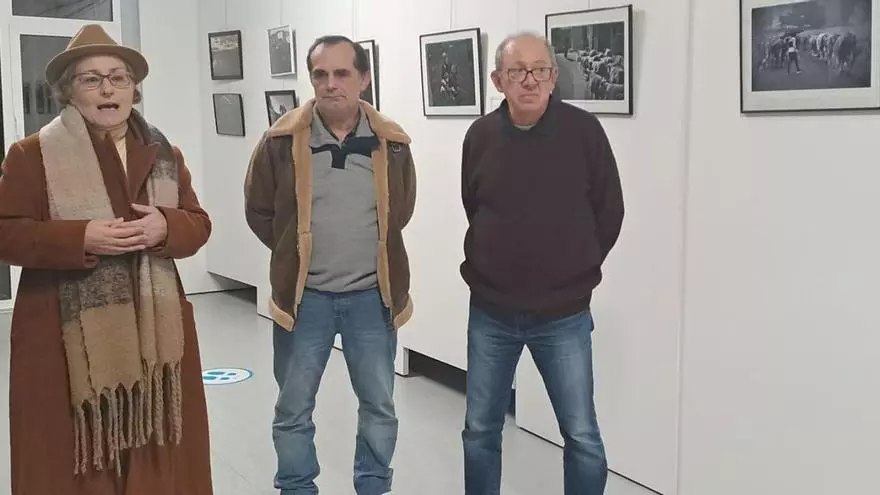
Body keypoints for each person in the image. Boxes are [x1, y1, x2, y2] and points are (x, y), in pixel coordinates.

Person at [0, 24, 213, 495]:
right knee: (74, 456)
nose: (107, 89)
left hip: (155, 331)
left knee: (156, 449)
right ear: (68, 91)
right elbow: (6, 233)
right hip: (62, 332)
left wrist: (166, 227)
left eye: (118, 77)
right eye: (91, 79)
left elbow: (198, 224)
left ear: (134, 89)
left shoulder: (164, 153)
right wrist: (80, 237)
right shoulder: (31, 156)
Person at [244, 34, 416, 495]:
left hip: (372, 299)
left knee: (379, 407)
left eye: (342, 73)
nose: (330, 84)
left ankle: (373, 486)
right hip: (304, 302)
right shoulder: (280, 142)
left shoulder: (392, 143)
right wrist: (292, 253)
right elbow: (259, 210)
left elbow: (400, 212)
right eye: (320, 74)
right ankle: (297, 488)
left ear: (364, 79)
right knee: (293, 408)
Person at [459, 32, 625, 495]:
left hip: (563, 314)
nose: (529, 80)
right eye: (517, 71)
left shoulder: (584, 132)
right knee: (480, 431)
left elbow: (610, 211)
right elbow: (475, 206)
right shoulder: (480, 137)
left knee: (582, 436)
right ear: (498, 81)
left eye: (539, 70)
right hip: (491, 312)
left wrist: (576, 266)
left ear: (553, 76)